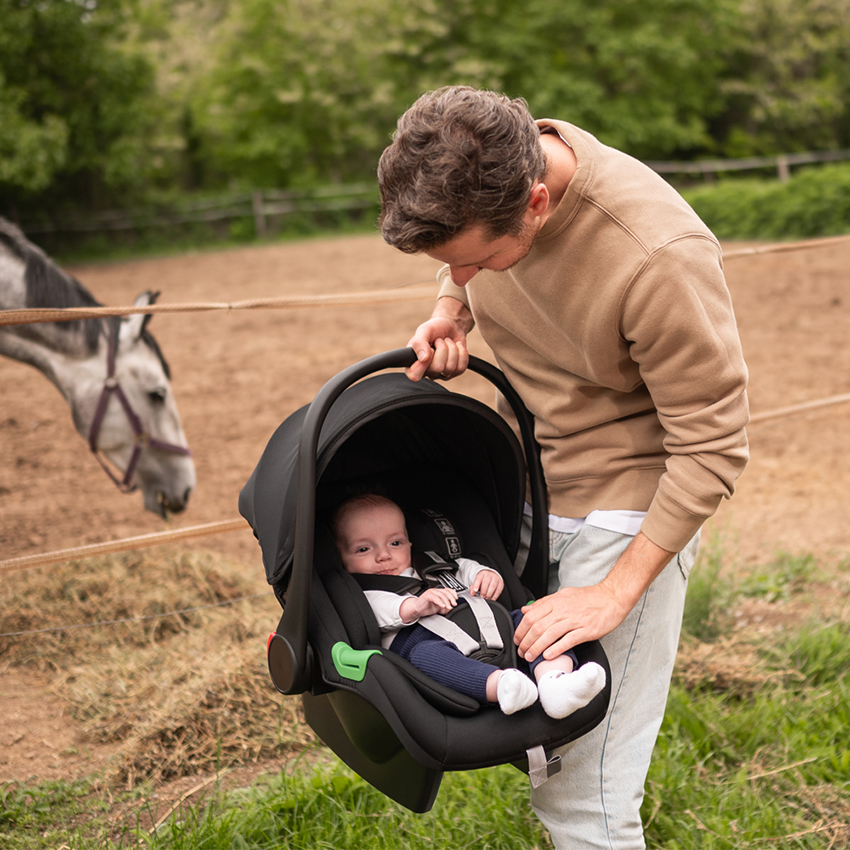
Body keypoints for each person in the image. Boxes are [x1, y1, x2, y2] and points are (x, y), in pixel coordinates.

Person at [377, 86, 749, 848]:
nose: (463, 274)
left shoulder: (658, 255)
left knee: (587, 794)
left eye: (477, 261)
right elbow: (462, 266)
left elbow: (711, 446)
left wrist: (615, 593)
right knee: (543, 743)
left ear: (537, 204)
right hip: (531, 484)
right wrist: (450, 312)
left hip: (628, 504)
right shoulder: (489, 176)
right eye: (452, 265)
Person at [331, 493, 606, 718]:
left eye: (395, 543)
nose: (383, 555)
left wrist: (485, 575)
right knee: (425, 657)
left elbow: (464, 567)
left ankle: (555, 682)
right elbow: (380, 610)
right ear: (340, 555)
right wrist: (415, 606)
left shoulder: (434, 566)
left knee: (533, 620)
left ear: (409, 542)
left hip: (493, 629)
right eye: (364, 549)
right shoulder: (362, 591)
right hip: (434, 649)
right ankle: (501, 686)